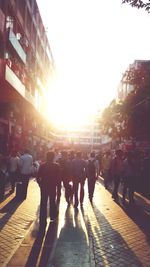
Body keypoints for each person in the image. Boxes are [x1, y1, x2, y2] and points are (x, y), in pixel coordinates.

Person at [36, 151, 61, 230]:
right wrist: (59, 188)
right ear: (53, 157)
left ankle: (42, 218)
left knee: (43, 202)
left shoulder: (42, 165)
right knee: (52, 201)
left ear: (46, 157)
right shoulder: (56, 166)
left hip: (44, 186)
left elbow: (38, 176)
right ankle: (52, 216)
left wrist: (40, 184)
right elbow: (58, 178)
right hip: (52, 186)